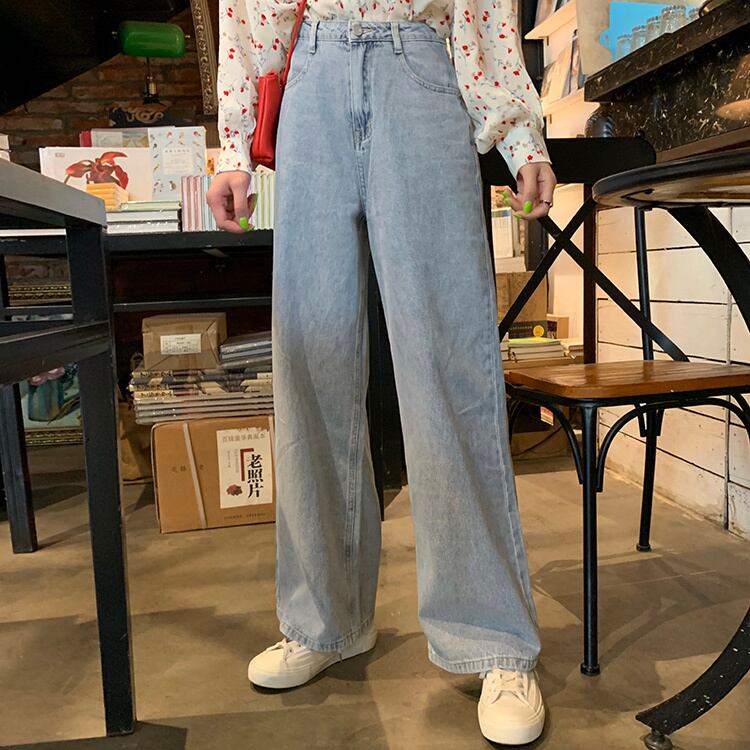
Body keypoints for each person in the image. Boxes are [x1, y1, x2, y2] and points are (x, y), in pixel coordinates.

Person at [207, 0, 557, 744]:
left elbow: (484, 9)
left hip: (420, 68)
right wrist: (234, 143)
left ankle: (493, 636)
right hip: (309, 83)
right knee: (312, 362)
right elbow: (245, 12)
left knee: (448, 362)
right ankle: (324, 620)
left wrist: (520, 134)